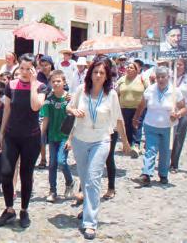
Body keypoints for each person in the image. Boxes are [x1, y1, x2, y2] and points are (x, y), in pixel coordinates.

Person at [67, 56, 130, 240]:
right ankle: (88, 209)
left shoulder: (111, 95)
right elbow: (68, 108)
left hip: (101, 140)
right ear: (90, 73)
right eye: (95, 72)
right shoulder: (81, 90)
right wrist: (73, 111)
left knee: (93, 179)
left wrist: (125, 142)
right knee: (85, 178)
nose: (98, 75)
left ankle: (90, 223)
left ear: (107, 76)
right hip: (80, 139)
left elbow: (119, 119)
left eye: (102, 73)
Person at [0, 53, 45, 229]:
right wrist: (1, 133)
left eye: (28, 69)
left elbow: (35, 106)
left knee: (26, 174)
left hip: (31, 138)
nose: (24, 72)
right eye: (22, 68)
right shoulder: (11, 85)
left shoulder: (41, 87)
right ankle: (9, 209)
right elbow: (7, 109)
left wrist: (33, 83)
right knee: (5, 172)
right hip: (11, 135)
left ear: (34, 69)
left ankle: (24, 210)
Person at [133, 66, 186, 186]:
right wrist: (136, 118)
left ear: (168, 77)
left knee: (165, 151)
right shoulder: (150, 90)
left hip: (168, 127)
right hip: (151, 124)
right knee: (150, 150)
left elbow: (184, 108)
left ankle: (163, 174)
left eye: (163, 77)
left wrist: (177, 114)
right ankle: (146, 174)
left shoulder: (175, 91)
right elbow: (141, 105)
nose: (161, 79)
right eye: (158, 77)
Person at [41, 70, 75, 203]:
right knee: (52, 164)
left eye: (58, 81)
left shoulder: (70, 99)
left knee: (62, 160)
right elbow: (46, 118)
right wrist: (41, 134)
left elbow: (74, 119)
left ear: (64, 82)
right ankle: (53, 190)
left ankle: (69, 182)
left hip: (65, 136)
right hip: (52, 135)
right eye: (53, 81)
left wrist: (70, 139)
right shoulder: (49, 100)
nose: (56, 83)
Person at [115, 60, 148, 158]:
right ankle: (128, 145)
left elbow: (148, 91)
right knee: (126, 126)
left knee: (136, 125)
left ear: (136, 70)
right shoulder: (122, 79)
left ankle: (136, 145)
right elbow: (116, 91)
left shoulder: (142, 79)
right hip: (124, 107)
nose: (128, 69)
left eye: (131, 68)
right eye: (128, 67)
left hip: (138, 107)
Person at [36, 55, 54, 168]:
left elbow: (65, 88)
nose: (44, 67)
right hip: (42, 109)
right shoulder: (39, 76)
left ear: (51, 65)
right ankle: (43, 159)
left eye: (46, 65)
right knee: (41, 134)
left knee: (53, 134)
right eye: (42, 65)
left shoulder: (56, 75)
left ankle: (53, 159)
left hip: (54, 108)